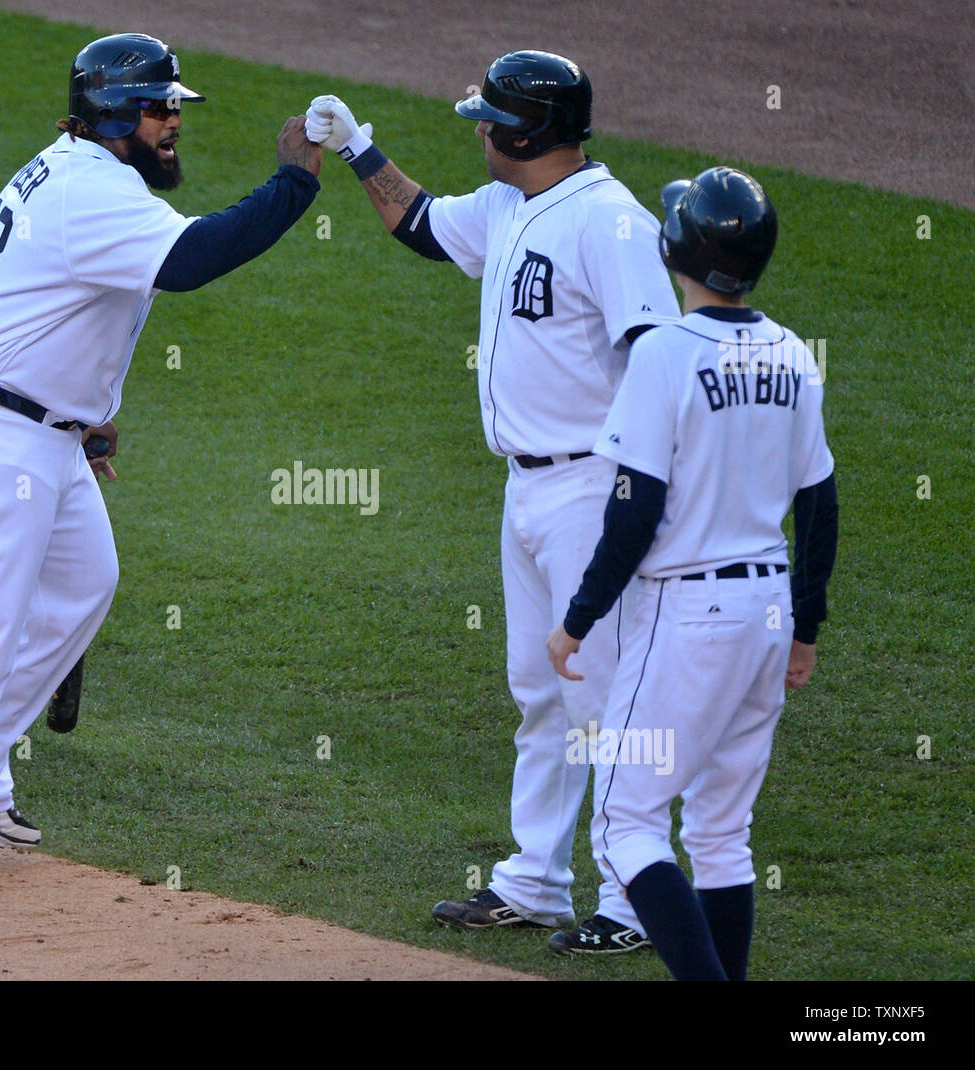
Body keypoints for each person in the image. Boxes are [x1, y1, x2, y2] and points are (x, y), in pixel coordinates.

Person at [0, 33, 322, 893]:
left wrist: (91, 420)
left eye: (174, 105)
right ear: (110, 112)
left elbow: (66, 307)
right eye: (156, 105)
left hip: (29, 424)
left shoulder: (83, 172)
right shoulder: (91, 189)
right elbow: (193, 260)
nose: (173, 120)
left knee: (80, 584)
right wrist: (296, 183)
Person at [305, 51, 678, 951]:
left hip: (598, 488)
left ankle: (632, 905)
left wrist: (643, 495)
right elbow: (425, 225)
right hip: (528, 493)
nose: (477, 127)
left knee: (607, 704)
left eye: (490, 116)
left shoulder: (610, 223)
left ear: (528, 130)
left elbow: (661, 361)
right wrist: (360, 149)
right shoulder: (511, 204)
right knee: (541, 692)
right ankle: (536, 882)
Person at [546, 166, 838, 978]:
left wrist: (577, 618)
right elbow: (820, 506)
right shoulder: (791, 353)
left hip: (690, 620)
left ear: (677, 247)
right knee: (719, 832)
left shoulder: (666, 354)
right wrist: (804, 629)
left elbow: (633, 509)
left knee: (624, 821)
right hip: (767, 612)